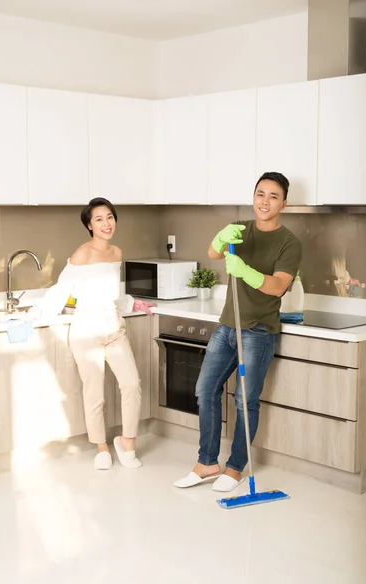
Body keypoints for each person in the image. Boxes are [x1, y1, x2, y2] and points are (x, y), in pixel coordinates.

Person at [174, 172, 302, 492]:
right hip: (226, 326)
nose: (265, 201)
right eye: (260, 194)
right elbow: (214, 253)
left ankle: (234, 468)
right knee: (206, 390)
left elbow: (277, 286)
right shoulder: (240, 229)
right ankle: (207, 463)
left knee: (246, 402)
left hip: (257, 332)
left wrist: (245, 271)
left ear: (283, 203)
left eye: (273, 196)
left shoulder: (289, 242)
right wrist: (220, 238)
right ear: (253, 196)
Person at [28, 198, 143, 470]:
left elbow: (110, 293)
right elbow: (61, 290)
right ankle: (101, 447)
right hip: (86, 331)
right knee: (95, 393)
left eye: (110, 217)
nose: (106, 223)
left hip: (114, 328)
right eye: (99, 219)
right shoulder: (82, 254)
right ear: (90, 226)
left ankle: (127, 442)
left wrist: (133, 303)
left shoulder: (116, 252)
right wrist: (34, 313)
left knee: (132, 384)